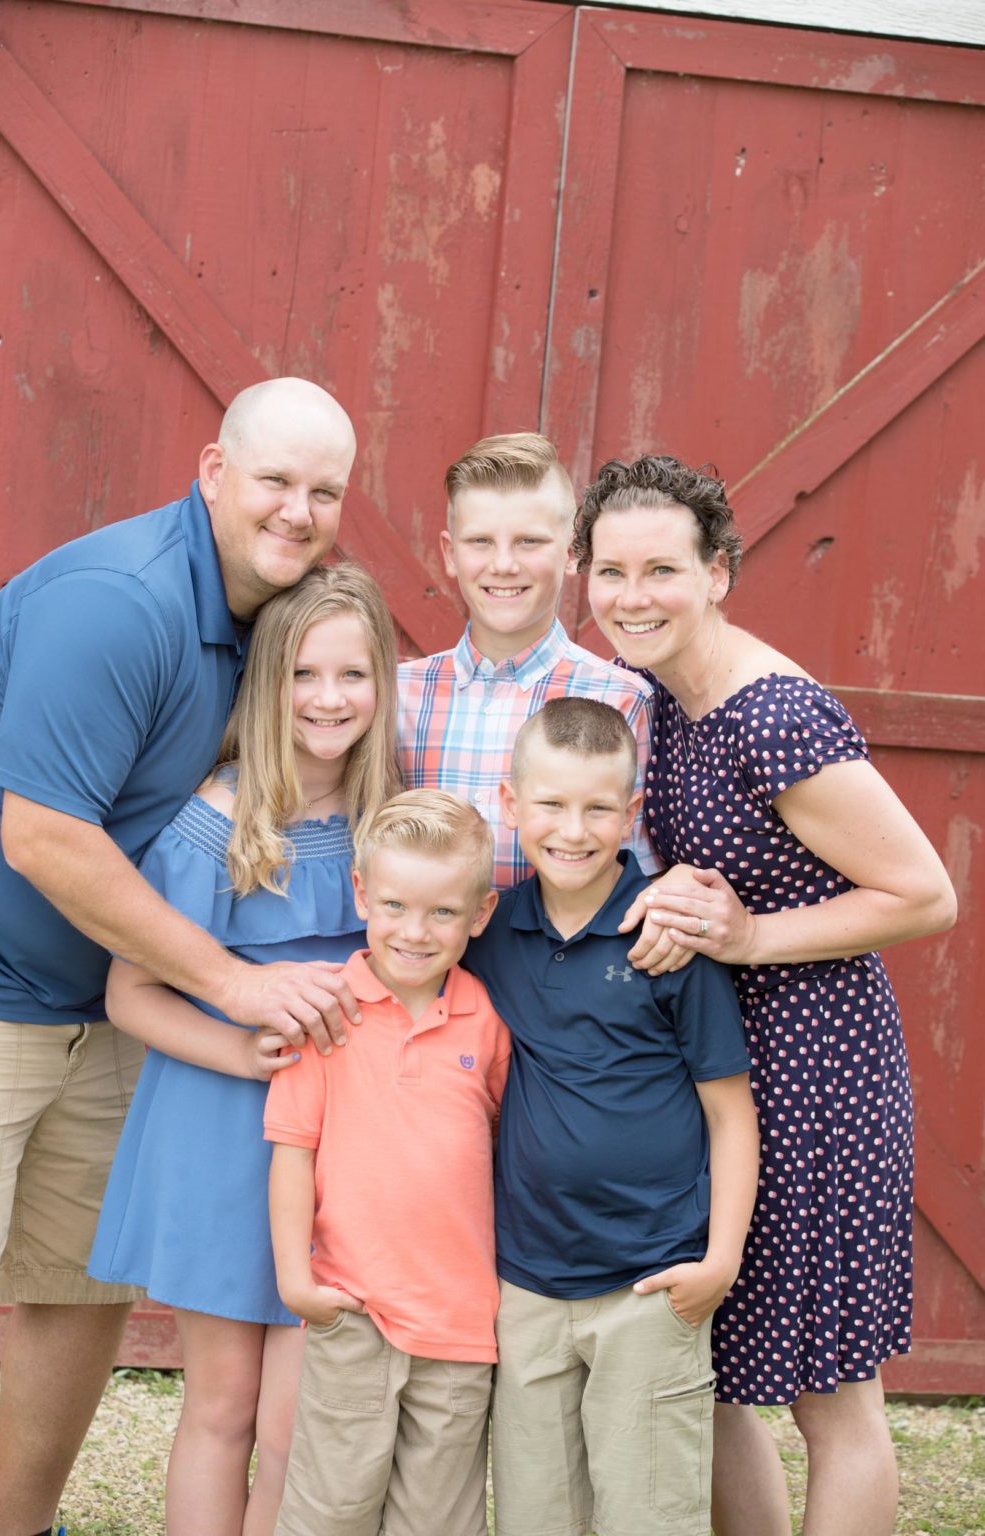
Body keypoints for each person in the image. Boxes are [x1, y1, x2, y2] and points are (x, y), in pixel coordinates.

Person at [0, 376, 364, 1536]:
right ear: (211, 471)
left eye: (323, 490)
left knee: (76, 1286)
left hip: (102, 991)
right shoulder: (120, 603)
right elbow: (40, 833)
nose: (296, 509)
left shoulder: (276, 626)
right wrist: (233, 983)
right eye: (274, 480)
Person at [575, 454, 958, 1536]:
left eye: (661, 569)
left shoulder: (771, 718)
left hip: (819, 1075)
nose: (632, 595)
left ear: (719, 573)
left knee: (830, 1399)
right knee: (713, 1369)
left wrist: (747, 935)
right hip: (717, 1071)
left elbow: (923, 895)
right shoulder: (652, 696)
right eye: (610, 571)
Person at [88, 563, 400, 1535]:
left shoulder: (389, 823)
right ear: (267, 685)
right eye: (303, 675)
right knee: (223, 1406)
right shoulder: (214, 826)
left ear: (382, 687)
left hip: (346, 1142)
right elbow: (130, 993)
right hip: (221, 1134)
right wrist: (247, 1052)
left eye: (352, 676)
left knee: (298, 1419)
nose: (328, 699)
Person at [461, 697, 758, 1536]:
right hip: (528, 1284)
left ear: (631, 814)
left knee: (648, 1514)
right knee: (535, 1515)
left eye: (598, 808)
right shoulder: (491, 934)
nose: (573, 829)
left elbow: (731, 1117)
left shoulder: (663, 938)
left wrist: (720, 1261)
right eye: (550, 804)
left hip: (650, 1282)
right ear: (511, 804)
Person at [264, 790, 509, 1536]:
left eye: (441, 913)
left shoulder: (486, 1020)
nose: (414, 930)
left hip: (460, 1323)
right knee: (329, 1512)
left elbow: (498, 1152)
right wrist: (295, 1281)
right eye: (396, 905)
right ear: (363, 892)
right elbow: (292, 1152)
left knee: (435, 1520)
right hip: (354, 1308)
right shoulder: (328, 1012)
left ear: (480, 915)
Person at [396, 430, 661, 889]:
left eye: (529, 542)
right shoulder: (397, 694)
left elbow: (634, 872)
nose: (503, 565)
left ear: (573, 552)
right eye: (480, 541)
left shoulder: (622, 700)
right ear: (449, 554)